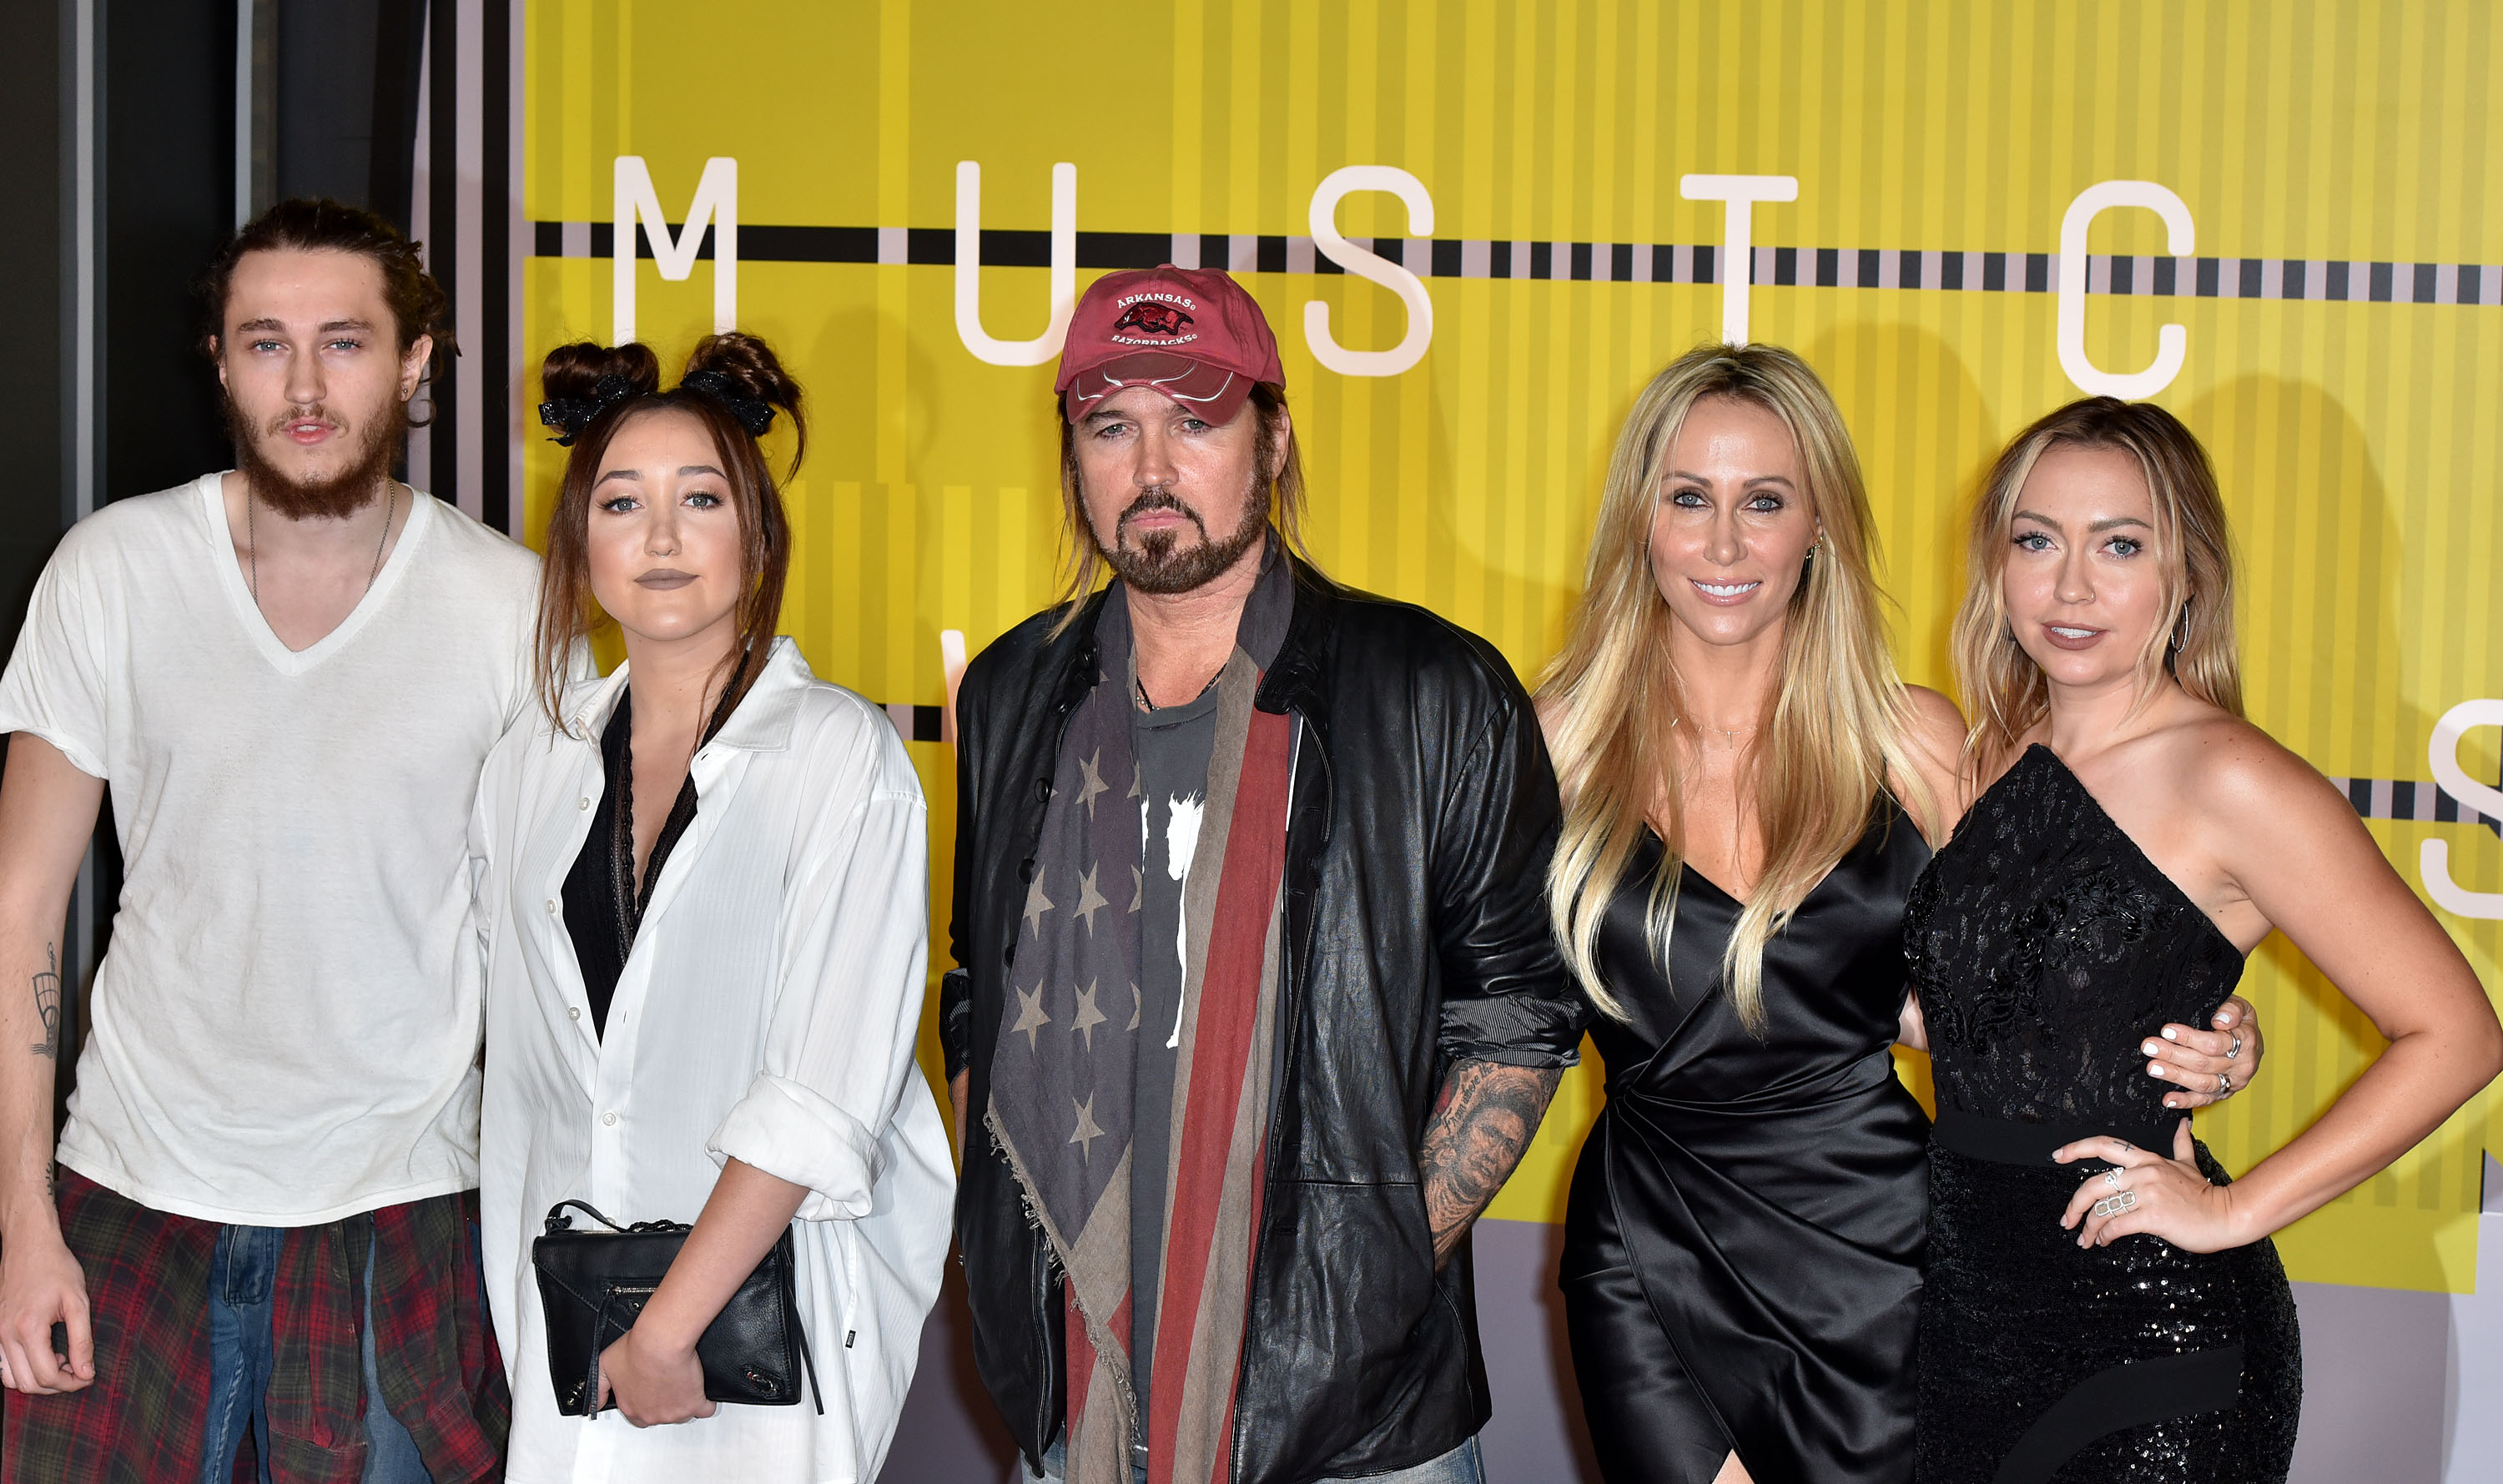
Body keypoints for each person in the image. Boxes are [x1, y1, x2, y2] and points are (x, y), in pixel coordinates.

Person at [1541, 345, 2262, 1484]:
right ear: (1641, 519)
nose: (1724, 546)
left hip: (1884, 1249)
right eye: (1688, 499)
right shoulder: (1556, 745)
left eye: (1763, 502)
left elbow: (1999, 1001)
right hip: (1649, 1243)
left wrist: (2190, 1032)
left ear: (1818, 524)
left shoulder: (1915, 742)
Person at [941, 264, 1585, 1484]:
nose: (1151, 468)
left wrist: (1364, 1277)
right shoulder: (1013, 691)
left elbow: (1516, 1017)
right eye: (1111, 427)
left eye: (1196, 420)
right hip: (1079, 1394)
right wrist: (1017, 1228)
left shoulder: (1429, 689)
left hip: (1356, 1429)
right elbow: (982, 984)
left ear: (1274, 441)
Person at [0, 199, 516, 1481]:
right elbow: (22, 911)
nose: (304, 385)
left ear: (414, 360)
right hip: (125, 1193)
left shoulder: (510, 607)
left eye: (344, 341)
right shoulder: (112, 573)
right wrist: (22, 1218)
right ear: (221, 363)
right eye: (265, 342)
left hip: (400, 1206)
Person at [1906, 396, 2503, 1482]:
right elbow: (1965, 1029)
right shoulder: (1984, 761)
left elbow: (2457, 1034)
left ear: (2186, 575)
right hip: (1964, 1324)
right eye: (2037, 540)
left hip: (2153, 1341)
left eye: (2119, 546)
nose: (2070, 587)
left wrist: (2236, 1210)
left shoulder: (2228, 776)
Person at [471, 334, 950, 1481]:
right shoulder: (534, 760)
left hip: (756, 1335)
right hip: (569, 1326)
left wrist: (667, 1330)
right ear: (580, 541)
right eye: (622, 502)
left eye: (701, 498)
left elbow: (824, 1091)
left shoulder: (839, 755)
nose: (662, 537)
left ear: (759, 534)